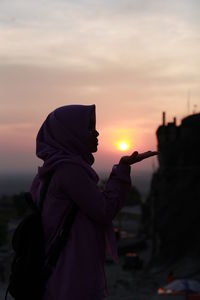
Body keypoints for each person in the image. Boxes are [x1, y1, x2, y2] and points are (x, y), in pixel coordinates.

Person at [30, 104, 158, 300]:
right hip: (72, 279)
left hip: (59, 275)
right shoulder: (69, 170)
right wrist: (122, 171)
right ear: (70, 134)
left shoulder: (51, 170)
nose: (96, 133)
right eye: (89, 128)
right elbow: (104, 209)